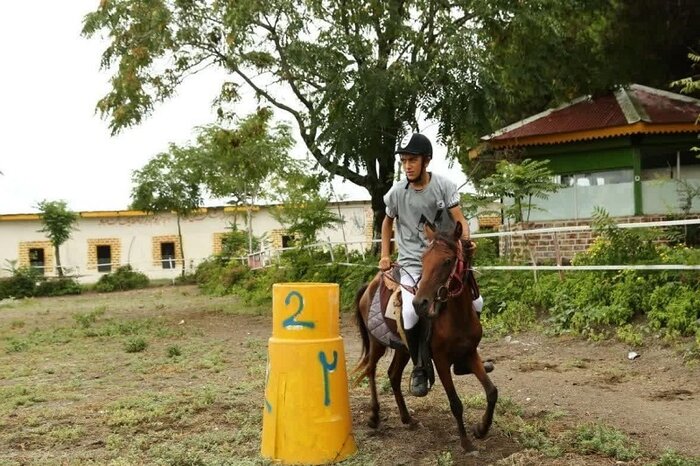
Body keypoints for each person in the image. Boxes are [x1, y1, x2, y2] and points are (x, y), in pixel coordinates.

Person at [379, 132, 491, 397]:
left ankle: (466, 357)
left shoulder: (444, 186)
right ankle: (419, 366)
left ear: (426, 161)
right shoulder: (396, 193)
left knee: (477, 303)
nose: (407, 166)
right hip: (411, 264)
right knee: (409, 312)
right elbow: (386, 222)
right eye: (404, 160)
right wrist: (385, 254)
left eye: (412, 160)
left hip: (443, 261)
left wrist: (466, 242)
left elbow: (459, 220)